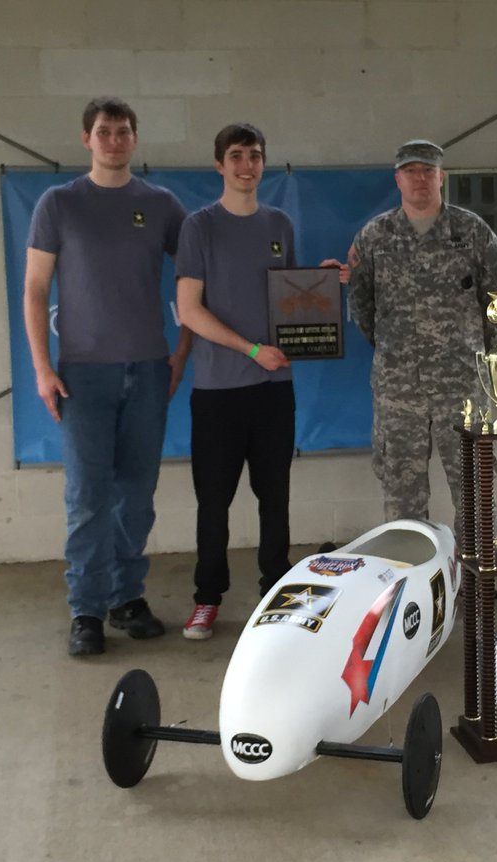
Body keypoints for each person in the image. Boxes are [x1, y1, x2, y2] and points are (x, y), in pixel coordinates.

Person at [24, 97, 189, 656]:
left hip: (147, 371)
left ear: (134, 140)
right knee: (88, 497)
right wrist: (43, 369)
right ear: (86, 139)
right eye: (104, 131)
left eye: (123, 132)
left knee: (136, 495)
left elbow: (198, 276)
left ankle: (126, 597)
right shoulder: (59, 203)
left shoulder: (162, 204)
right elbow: (35, 289)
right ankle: (87, 609)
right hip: (82, 377)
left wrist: (181, 352)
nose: (113, 140)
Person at [174, 123, 301, 640]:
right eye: (236, 156)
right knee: (213, 502)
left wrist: (323, 284)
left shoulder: (280, 224)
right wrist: (250, 349)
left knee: (276, 499)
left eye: (254, 156)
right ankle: (207, 599)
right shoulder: (198, 227)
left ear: (264, 163)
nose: (246, 165)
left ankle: (276, 595)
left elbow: (292, 297)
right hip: (218, 392)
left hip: (274, 391)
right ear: (219, 165)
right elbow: (188, 310)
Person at [347, 139, 497, 527]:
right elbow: (361, 304)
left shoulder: (472, 231)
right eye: (411, 172)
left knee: (475, 493)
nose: (419, 179)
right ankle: (414, 583)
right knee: (402, 497)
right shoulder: (375, 236)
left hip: (461, 386)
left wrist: (474, 352)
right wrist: (396, 350)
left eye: (427, 171)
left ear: (441, 177)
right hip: (398, 390)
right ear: (397, 180)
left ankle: (474, 587)